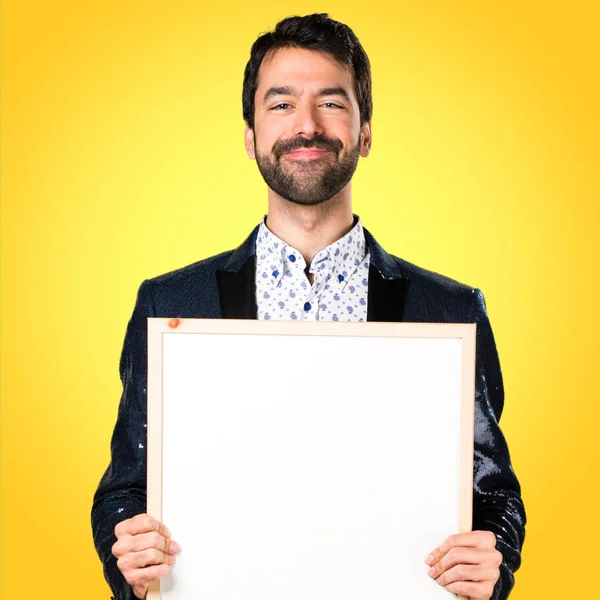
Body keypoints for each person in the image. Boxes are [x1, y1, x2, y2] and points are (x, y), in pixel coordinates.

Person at [92, 13, 526, 600]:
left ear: (365, 130)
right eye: (280, 104)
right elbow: (126, 488)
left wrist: (491, 560)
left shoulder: (449, 312)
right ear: (250, 136)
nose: (307, 125)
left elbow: (494, 493)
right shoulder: (170, 305)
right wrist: (130, 553)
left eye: (331, 102)